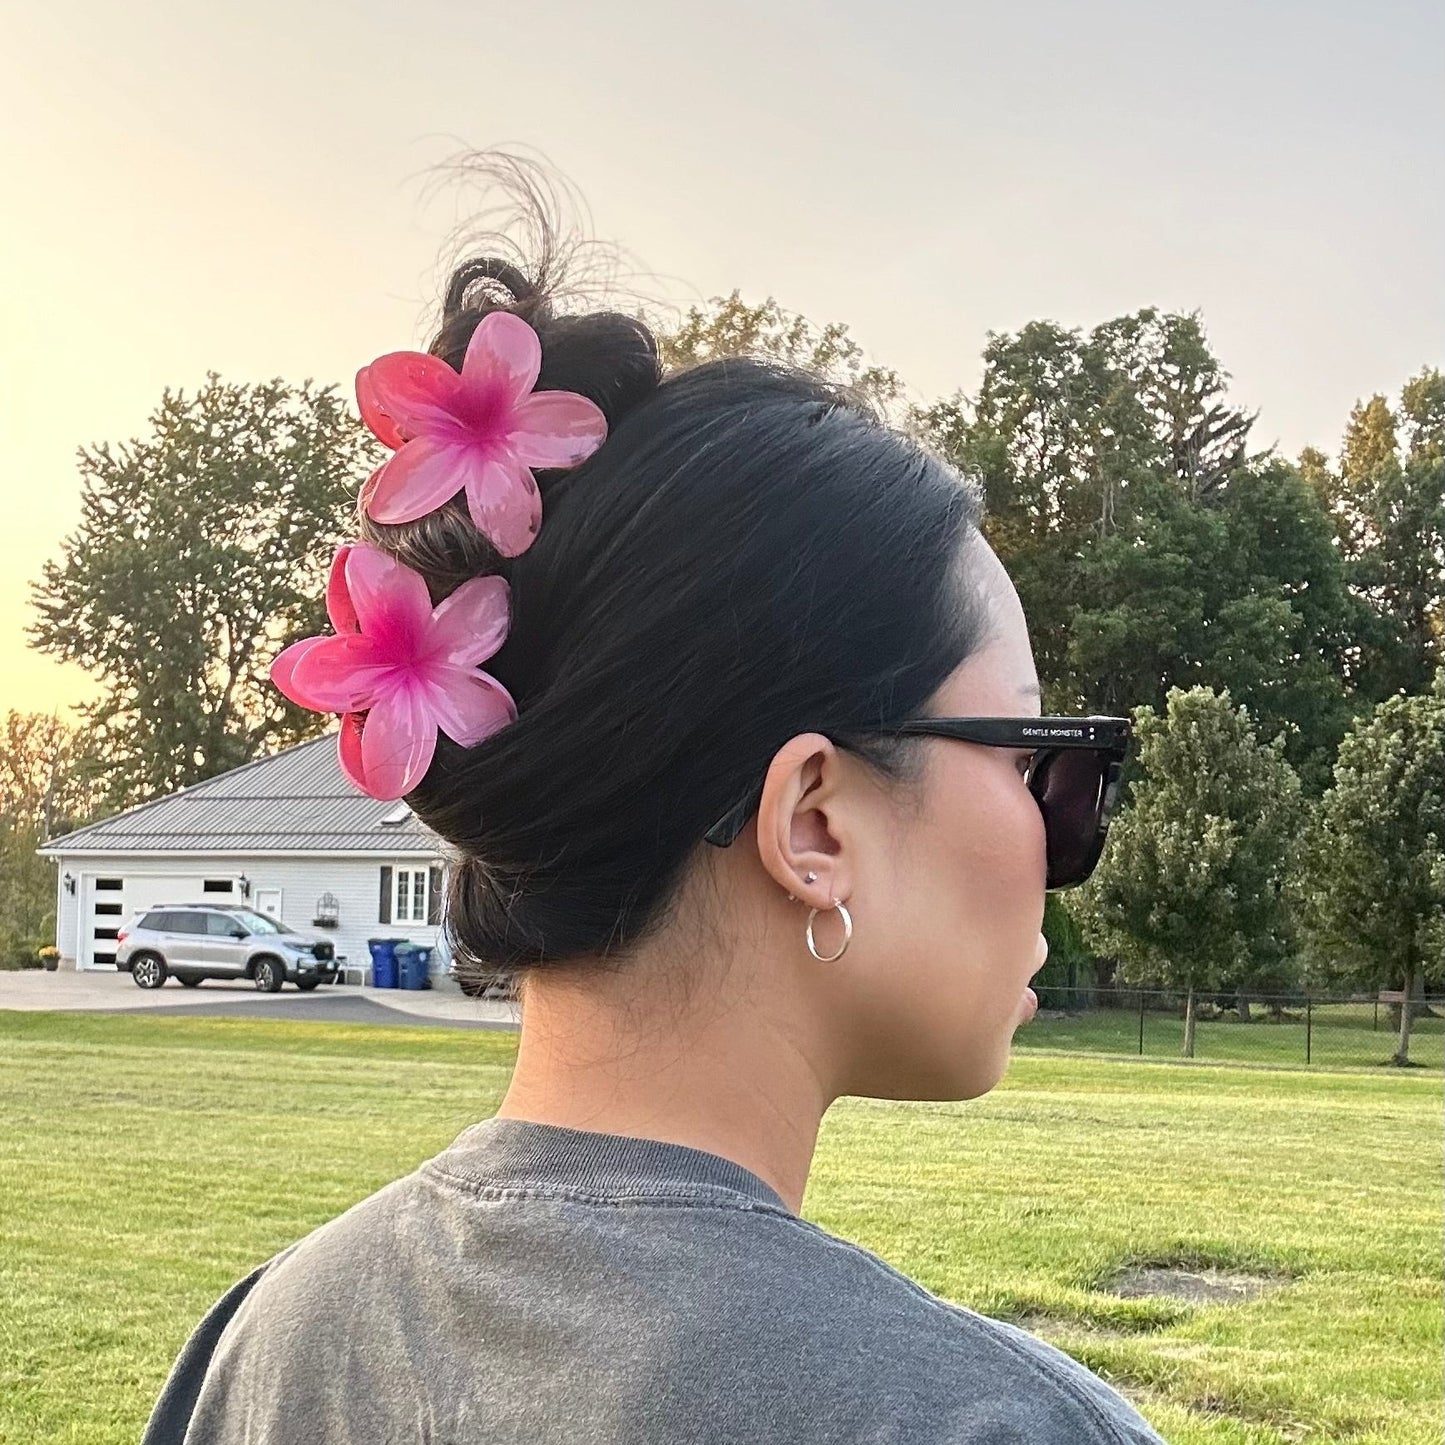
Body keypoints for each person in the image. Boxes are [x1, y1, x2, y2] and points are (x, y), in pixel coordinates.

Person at [142, 232, 1155, 1442]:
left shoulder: (263, 1350)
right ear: (813, 821)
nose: (1061, 838)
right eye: (1046, 763)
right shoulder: (994, 1424)